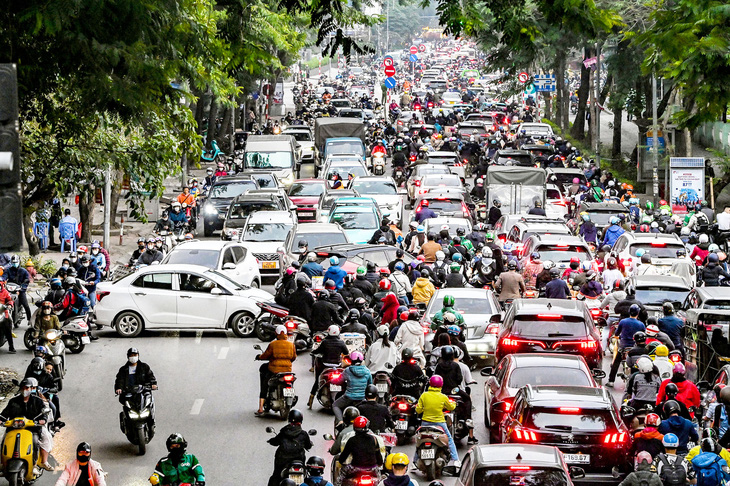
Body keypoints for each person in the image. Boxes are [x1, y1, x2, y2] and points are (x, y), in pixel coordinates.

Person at [1, 378, 54, 471]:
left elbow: (44, 413)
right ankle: (3, 464)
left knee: (40, 440)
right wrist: (1, 420)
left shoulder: (38, 401)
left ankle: (40, 463)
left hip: (33, 429)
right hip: (13, 428)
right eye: (23, 387)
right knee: (3, 442)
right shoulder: (13, 401)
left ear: (32, 389)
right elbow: (4, 414)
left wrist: (43, 420)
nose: (25, 390)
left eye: (27, 388)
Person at [416, 375, 460, 467]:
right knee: (449, 439)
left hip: (425, 423)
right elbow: (451, 407)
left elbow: (418, 410)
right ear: (441, 385)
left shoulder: (424, 395)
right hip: (439, 424)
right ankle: (455, 460)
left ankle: (415, 461)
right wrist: (454, 403)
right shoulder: (443, 397)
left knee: (419, 442)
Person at [256, 325, 297, 416]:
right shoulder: (291, 344)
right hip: (287, 370)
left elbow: (266, 355)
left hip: (274, 370)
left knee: (264, 383)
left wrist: (259, 357)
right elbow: (294, 357)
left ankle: (260, 408)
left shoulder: (273, 344)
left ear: (276, 333)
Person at [268, 410, 313, 486]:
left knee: (276, 476)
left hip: (282, 460)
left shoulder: (284, 431)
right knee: (306, 477)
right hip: (299, 460)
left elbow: (275, 442)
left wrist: (271, 441)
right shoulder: (303, 434)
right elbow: (308, 446)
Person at [607, 304, 646, 387]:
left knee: (616, 363)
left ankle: (611, 381)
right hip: (635, 348)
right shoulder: (641, 324)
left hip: (623, 347)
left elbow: (617, 333)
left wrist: (619, 336)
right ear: (638, 313)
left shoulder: (623, 322)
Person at [337, 417, 384, 483]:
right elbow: (379, 457)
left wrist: (341, 461)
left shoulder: (351, 440)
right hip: (372, 469)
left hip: (355, 468)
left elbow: (342, 458)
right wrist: (379, 464)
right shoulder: (374, 439)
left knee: (341, 476)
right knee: (380, 482)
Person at [333, 351, 372, 426]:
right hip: (362, 399)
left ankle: (340, 422)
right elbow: (370, 385)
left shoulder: (347, 370)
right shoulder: (367, 371)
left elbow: (339, 381)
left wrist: (333, 380)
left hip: (349, 398)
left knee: (335, 405)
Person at [4, 254, 31, 327]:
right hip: (9, 289)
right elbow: (4, 278)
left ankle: (30, 320)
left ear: (19, 262)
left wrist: (21, 289)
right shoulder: (8, 270)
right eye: (13, 262)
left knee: (25, 304)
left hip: (20, 290)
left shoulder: (24, 271)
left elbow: (27, 280)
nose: (14, 264)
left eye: (16, 262)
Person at [0, 280, 15, 353]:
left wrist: (9, 305)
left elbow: (10, 300)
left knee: (8, 325)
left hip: (3, 312)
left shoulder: (5, 292)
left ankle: (11, 346)